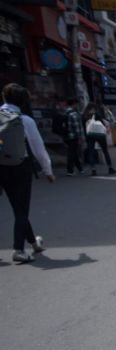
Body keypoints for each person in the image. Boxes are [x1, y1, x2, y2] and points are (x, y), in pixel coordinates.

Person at [0, 83, 54, 264]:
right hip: (19, 167)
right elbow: (38, 149)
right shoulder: (25, 120)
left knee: (18, 207)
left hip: (1, 167)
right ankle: (18, 249)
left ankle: (33, 242)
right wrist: (48, 170)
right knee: (21, 209)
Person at [84, 110, 114, 176]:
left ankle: (93, 169)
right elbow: (106, 129)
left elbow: (87, 130)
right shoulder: (101, 121)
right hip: (101, 136)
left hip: (91, 136)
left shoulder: (88, 121)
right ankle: (110, 167)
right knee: (105, 151)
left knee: (91, 152)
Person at [62, 98, 84, 176]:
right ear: (74, 103)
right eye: (76, 104)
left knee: (73, 152)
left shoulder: (65, 112)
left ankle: (80, 168)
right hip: (73, 136)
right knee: (72, 153)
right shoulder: (74, 114)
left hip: (66, 136)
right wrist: (80, 138)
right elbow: (77, 127)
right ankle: (70, 170)